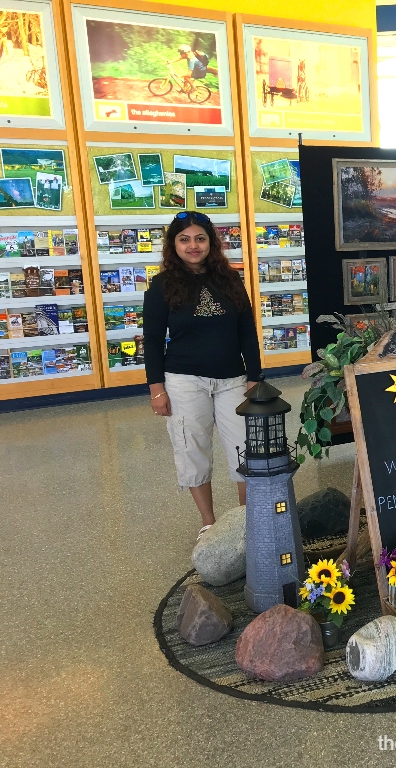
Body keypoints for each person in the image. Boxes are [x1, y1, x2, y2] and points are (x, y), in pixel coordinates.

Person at [144, 211, 262, 540]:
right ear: (173, 244)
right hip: (184, 381)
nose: (193, 246)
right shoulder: (162, 286)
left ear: (211, 242)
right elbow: (152, 341)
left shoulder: (230, 280)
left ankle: (246, 522)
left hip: (233, 381)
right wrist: (156, 390)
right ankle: (209, 523)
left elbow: (247, 332)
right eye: (184, 239)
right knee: (191, 448)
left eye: (200, 238)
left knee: (245, 449)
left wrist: (254, 377)